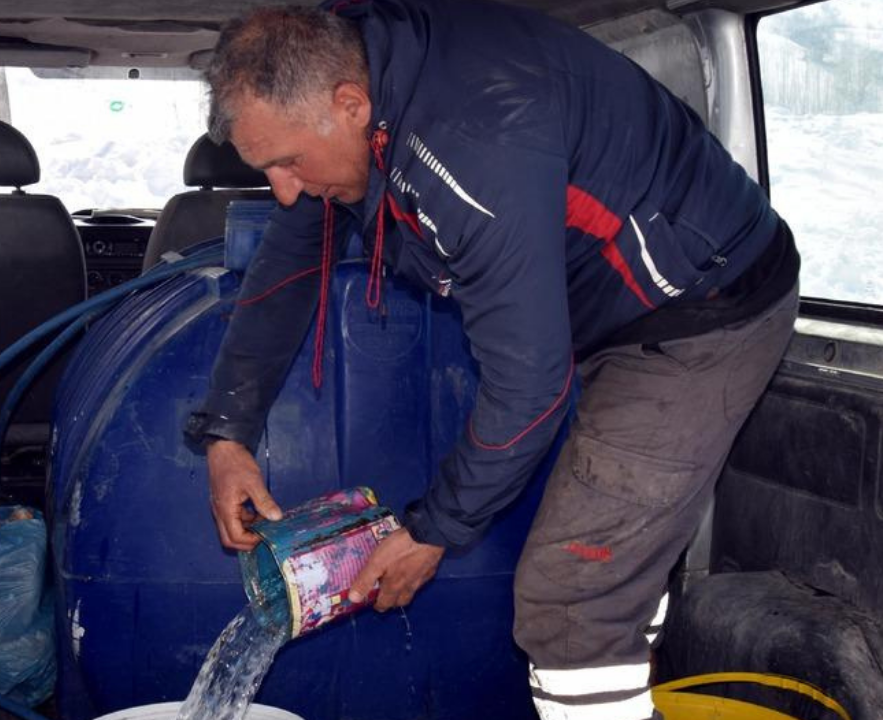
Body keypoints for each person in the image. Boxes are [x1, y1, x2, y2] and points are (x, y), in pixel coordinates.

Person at [183, 1, 800, 718]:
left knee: (568, 601)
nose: (285, 188)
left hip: (703, 307)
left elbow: (530, 390)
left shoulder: (474, 144)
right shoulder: (359, 94)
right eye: (267, 170)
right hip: (608, 313)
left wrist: (431, 530)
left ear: (349, 104)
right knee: (606, 578)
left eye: (288, 162)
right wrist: (227, 432)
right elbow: (289, 264)